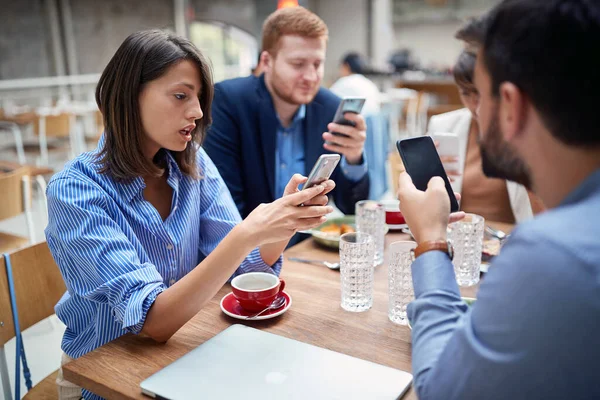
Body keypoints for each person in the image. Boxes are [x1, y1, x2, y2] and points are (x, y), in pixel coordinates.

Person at [45, 30, 334, 400]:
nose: (197, 112)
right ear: (130, 94)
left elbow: (246, 270)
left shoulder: (192, 163)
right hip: (104, 380)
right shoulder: (76, 190)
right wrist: (248, 233)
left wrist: (283, 224)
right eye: (181, 95)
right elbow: (153, 323)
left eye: (198, 98)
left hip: (181, 356)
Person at [398, 1, 600, 399]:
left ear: (510, 104)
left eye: (482, 95)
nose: (473, 110)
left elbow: (441, 391)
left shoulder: (552, 255)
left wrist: (431, 241)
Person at [203, 7, 369, 236]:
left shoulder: (329, 108)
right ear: (267, 61)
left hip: (306, 247)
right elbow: (224, 209)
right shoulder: (229, 102)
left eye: (317, 64)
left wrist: (354, 159)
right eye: (298, 64)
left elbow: (352, 207)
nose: (311, 77)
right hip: (248, 250)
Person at [428, 46, 541, 223]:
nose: (474, 103)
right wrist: (424, 179)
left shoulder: (525, 132)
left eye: (480, 92)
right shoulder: (443, 126)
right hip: (459, 238)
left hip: (510, 241)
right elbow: (424, 203)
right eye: (466, 93)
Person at [330, 52, 388, 199]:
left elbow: (328, 102)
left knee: (362, 160)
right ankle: (377, 194)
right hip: (377, 122)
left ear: (346, 66)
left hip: (360, 123)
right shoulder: (368, 82)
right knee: (376, 161)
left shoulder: (344, 82)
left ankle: (367, 197)